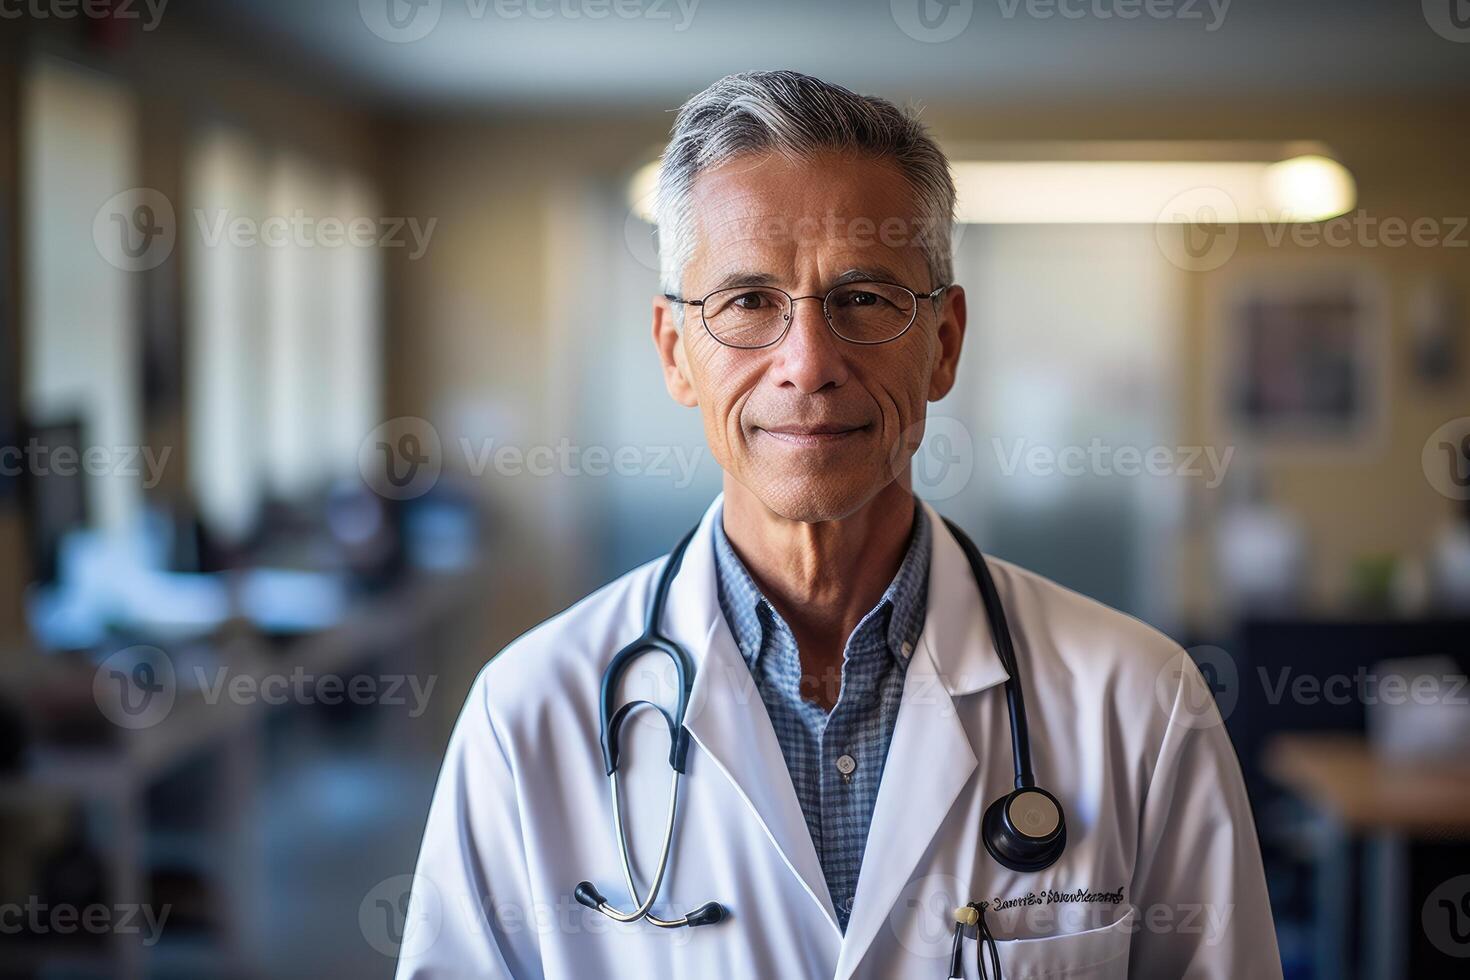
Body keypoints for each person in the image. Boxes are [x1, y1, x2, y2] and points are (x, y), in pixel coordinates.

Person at [396, 70, 1281, 979]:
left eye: (865, 298)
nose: (809, 363)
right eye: (747, 301)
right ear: (675, 352)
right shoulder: (528, 717)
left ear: (942, 344)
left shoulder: (1139, 704)